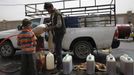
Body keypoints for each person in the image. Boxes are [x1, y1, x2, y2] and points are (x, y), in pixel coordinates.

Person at [44, 2, 66, 70]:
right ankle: (58, 63)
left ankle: (60, 67)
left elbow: (59, 25)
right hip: (55, 33)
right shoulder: (52, 14)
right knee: (56, 49)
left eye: (48, 10)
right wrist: (48, 24)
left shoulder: (57, 13)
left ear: (51, 7)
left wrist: (50, 28)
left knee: (58, 49)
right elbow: (52, 22)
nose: (47, 11)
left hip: (59, 33)